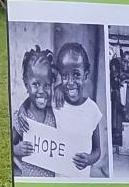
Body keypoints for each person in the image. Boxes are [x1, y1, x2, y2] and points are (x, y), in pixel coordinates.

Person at [51, 41, 107, 177]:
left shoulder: (92, 110)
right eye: (65, 76)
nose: (70, 82)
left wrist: (89, 159)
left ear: (86, 74)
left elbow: (97, 150)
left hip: (81, 180)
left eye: (76, 75)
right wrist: (57, 87)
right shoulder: (56, 103)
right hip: (57, 181)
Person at [10, 47, 57, 178]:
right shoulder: (22, 118)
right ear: (26, 84)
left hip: (54, 183)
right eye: (35, 84)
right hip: (31, 185)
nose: (41, 90)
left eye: (46, 85)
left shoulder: (55, 114)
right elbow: (7, 145)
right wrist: (16, 150)